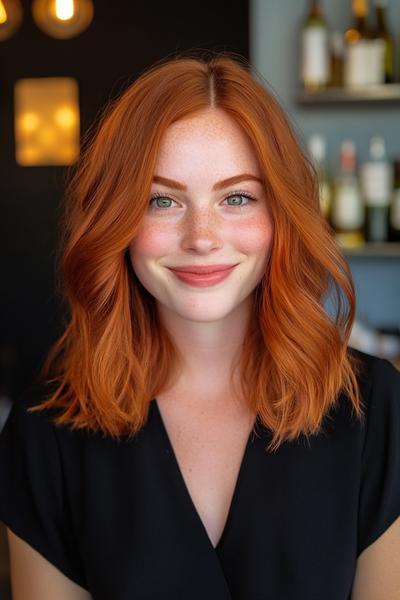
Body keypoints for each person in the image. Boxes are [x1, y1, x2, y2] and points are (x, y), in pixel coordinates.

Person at [0, 50, 399, 600]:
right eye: (161, 200)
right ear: (116, 219)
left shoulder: (376, 408)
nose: (203, 237)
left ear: (281, 213)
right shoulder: (45, 434)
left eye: (237, 197)